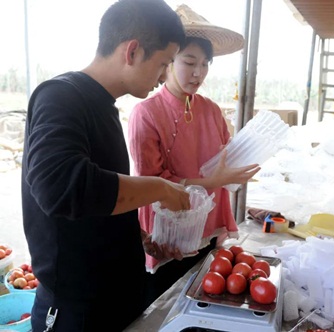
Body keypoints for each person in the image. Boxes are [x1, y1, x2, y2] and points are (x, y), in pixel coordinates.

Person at [21, 0, 190, 331]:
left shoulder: (104, 106)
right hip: (78, 310)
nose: (164, 76)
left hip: (113, 297)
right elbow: (61, 188)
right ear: (132, 52)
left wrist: (132, 235)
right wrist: (159, 187)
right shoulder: (61, 97)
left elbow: (95, 197)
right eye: (163, 63)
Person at [128, 4, 260, 307]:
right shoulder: (146, 113)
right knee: (162, 305)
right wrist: (214, 180)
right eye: (189, 62)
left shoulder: (211, 110)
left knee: (202, 298)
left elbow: (228, 155)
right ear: (168, 60)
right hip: (170, 233)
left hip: (208, 225)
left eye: (205, 64)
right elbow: (152, 183)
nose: (198, 73)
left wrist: (244, 160)